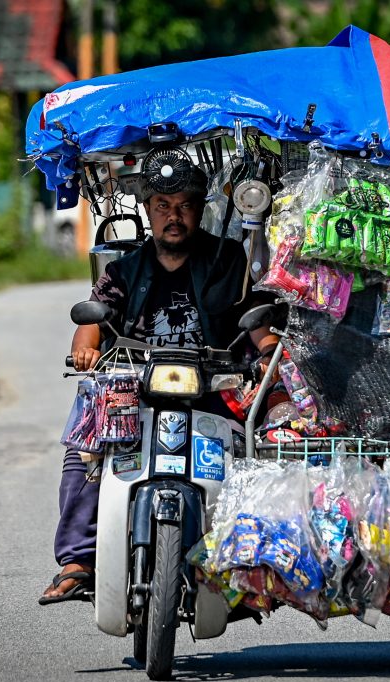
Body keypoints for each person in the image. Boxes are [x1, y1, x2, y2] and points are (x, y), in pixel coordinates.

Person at [39, 163, 278, 605]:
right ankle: (77, 561)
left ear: (198, 210)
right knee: (85, 444)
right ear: (148, 210)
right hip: (137, 389)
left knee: (260, 447)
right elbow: (94, 319)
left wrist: (267, 353)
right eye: (163, 206)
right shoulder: (125, 270)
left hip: (213, 386)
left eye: (185, 206)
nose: (174, 216)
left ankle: (253, 560)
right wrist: (85, 350)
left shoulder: (229, 260)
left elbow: (257, 315)